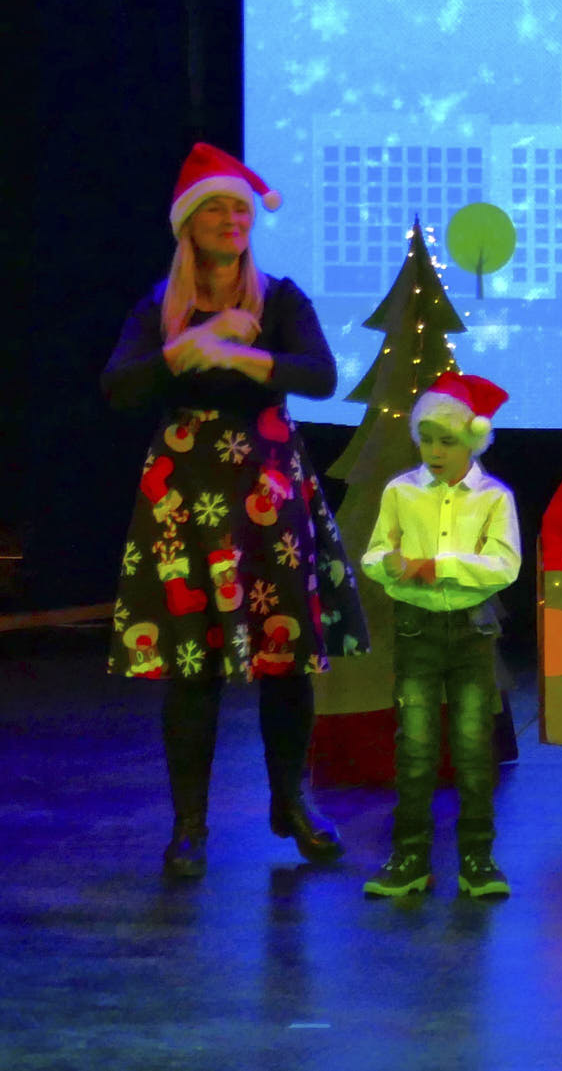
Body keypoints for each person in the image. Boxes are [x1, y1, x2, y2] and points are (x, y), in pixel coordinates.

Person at [102, 142, 368, 879]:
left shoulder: (279, 299)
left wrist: (245, 357)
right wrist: (190, 346)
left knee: (286, 656)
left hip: (266, 494)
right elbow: (119, 385)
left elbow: (320, 375)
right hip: (186, 497)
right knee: (194, 663)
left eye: (241, 209)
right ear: (188, 223)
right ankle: (190, 824)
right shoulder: (159, 304)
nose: (232, 220)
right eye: (216, 208)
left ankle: (293, 801)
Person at [357, 373, 521, 899]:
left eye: (446, 440)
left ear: (472, 440)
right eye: (426, 438)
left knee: (473, 748)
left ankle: (477, 858)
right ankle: (410, 858)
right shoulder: (401, 491)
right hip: (417, 630)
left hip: (471, 633)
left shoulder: (493, 497)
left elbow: (505, 565)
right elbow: (374, 554)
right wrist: (390, 564)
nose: (434, 451)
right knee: (415, 748)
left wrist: (437, 566)